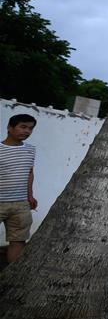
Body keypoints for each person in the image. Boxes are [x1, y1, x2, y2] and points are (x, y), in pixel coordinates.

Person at [1, 113, 38, 264]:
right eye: (23, 127)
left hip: (21, 204)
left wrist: (30, 196)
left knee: (18, 241)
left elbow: (29, 173)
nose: (27, 131)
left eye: (30, 128)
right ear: (10, 127)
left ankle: (10, 278)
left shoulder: (30, 150)